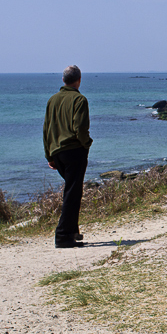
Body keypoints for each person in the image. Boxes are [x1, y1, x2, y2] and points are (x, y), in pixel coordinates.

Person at [43, 65, 93, 248]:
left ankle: (72, 232)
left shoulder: (52, 100)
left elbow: (46, 129)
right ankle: (63, 235)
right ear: (79, 80)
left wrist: (49, 155)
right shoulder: (79, 99)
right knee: (73, 192)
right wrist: (87, 143)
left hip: (57, 151)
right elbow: (80, 128)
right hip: (74, 149)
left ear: (63, 80)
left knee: (71, 191)